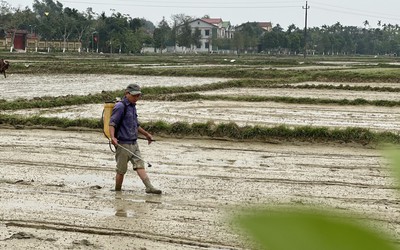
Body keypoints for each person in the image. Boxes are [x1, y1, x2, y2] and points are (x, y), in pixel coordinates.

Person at [109, 83, 161, 194]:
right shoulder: (120, 107)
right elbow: (112, 123)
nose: (136, 98)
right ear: (127, 93)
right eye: (134, 95)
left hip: (134, 142)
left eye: (138, 95)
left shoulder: (132, 107)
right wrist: (113, 137)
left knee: (140, 165)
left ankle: (149, 187)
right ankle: (117, 190)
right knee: (121, 170)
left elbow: (135, 125)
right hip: (123, 144)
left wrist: (147, 135)